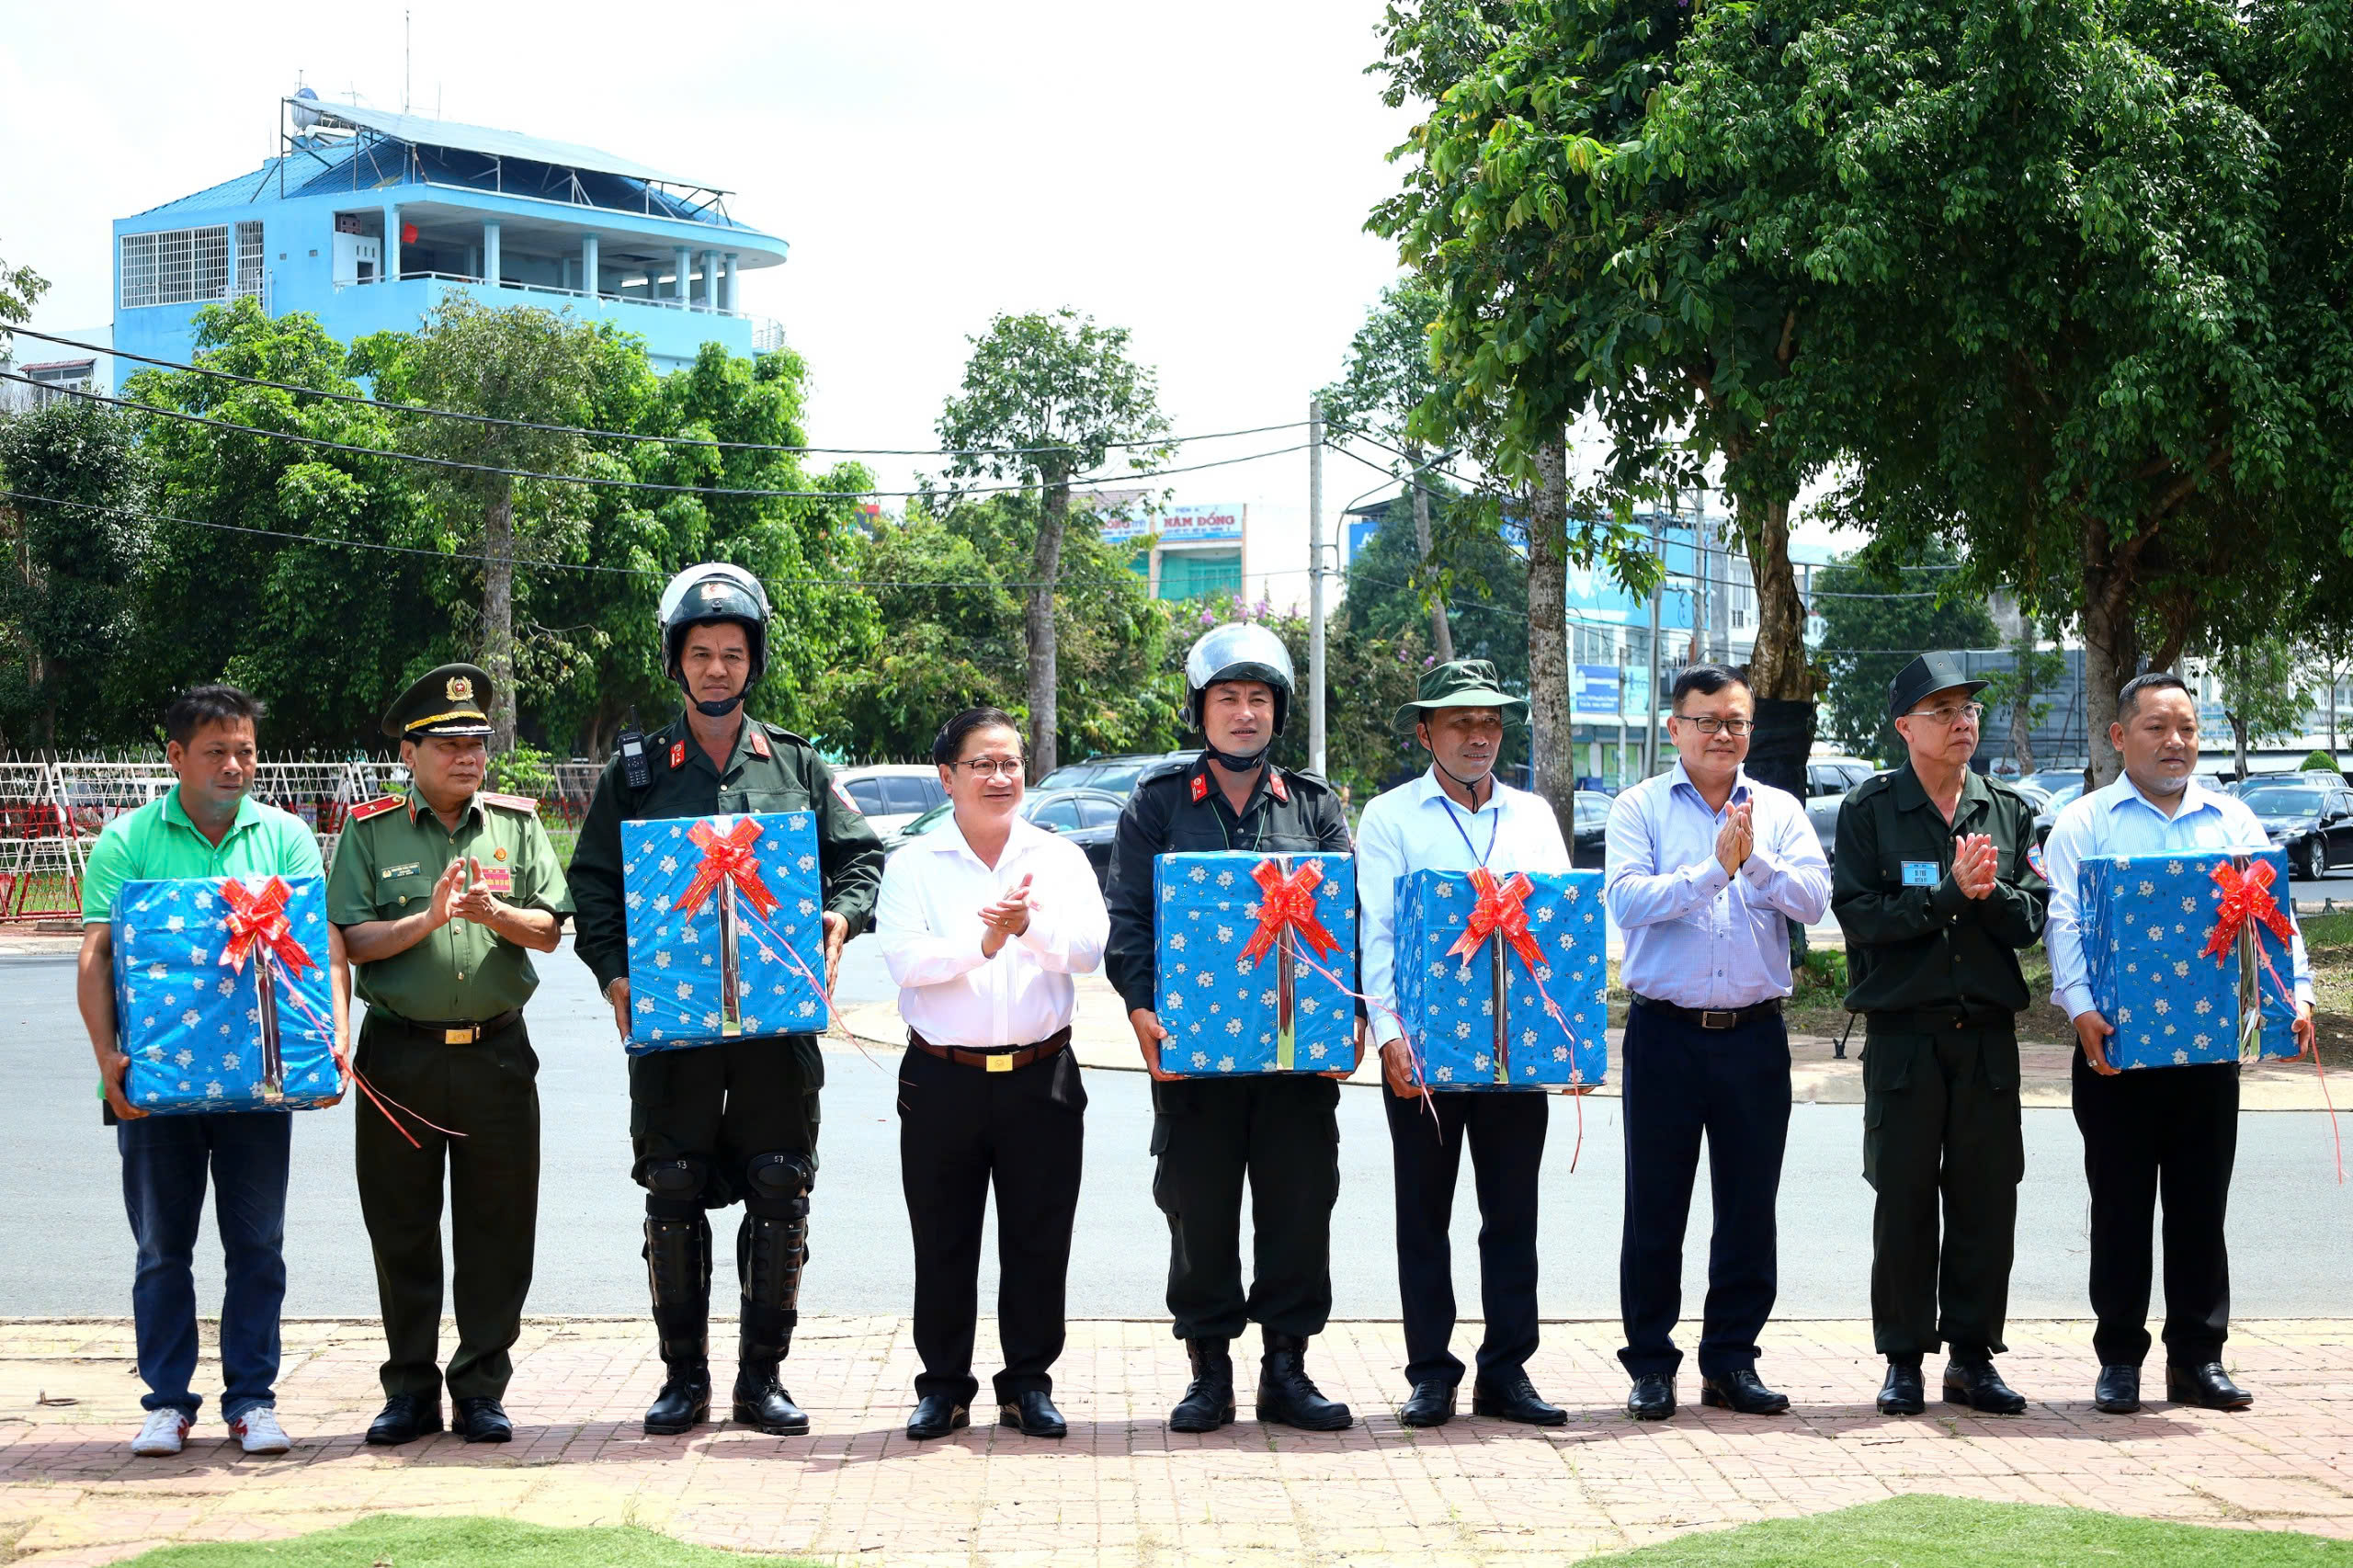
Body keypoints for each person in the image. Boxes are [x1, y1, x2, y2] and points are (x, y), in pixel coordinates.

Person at [571, 562, 884, 1437]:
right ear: (676, 662)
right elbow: (592, 885)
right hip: (673, 1029)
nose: (717, 669)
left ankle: (761, 1380)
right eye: (701, 653)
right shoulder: (635, 776)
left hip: (776, 1026)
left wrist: (839, 917)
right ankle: (684, 1381)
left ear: (754, 663)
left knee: (780, 1186)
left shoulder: (798, 765)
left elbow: (861, 859)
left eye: (732, 654)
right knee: (672, 1188)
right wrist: (615, 975)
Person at [73, 686, 350, 1459]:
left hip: (260, 1086)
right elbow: (96, 956)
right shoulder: (127, 844)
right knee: (162, 1246)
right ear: (175, 758)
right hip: (154, 1091)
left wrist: (334, 1036)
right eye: (217, 752)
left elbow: (318, 948)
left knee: (258, 1243)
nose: (235, 766)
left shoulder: (287, 839)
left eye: (247, 751)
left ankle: (253, 1400)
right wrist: (107, 1059)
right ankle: (166, 1402)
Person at [1104, 622, 1360, 1432]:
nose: (1244, 714)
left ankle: (1287, 1369)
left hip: (1293, 1066)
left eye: (1258, 699)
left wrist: (1349, 1019)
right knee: (1198, 1211)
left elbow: (1347, 920)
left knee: (1299, 1208)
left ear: (1277, 711)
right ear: (1201, 711)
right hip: (1194, 1063)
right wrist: (1142, 1011)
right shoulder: (1157, 804)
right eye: (1227, 699)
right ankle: (1208, 1372)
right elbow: (1130, 921)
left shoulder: (1315, 808)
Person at [2041, 673, 2315, 1415]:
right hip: (2116, 1050)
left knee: (2200, 1209)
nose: (2176, 742)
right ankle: (2120, 1361)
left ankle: (2198, 1359)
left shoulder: (2232, 823)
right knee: (2122, 1208)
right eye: (2158, 727)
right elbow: (2064, 922)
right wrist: (2080, 1009)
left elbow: (2273, 918)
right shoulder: (2085, 824)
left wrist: (2297, 999)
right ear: (2119, 735)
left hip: (2206, 1053)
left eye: (2188, 729)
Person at [329, 665, 571, 1446]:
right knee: (400, 1229)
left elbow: (549, 929)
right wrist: (426, 922)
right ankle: (408, 1390)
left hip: (498, 1056)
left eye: (477, 742)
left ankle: (479, 1390)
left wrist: (493, 912)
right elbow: (352, 939)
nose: (468, 756)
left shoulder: (515, 824)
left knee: (499, 1229)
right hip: (400, 1058)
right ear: (410, 751)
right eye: (449, 744)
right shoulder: (370, 832)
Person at [873, 707, 1108, 1442]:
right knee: (942, 1237)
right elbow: (908, 961)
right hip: (944, 1077)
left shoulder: (1058, 858)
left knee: (1040, 1237)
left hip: (1043, 1076)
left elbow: (1089, 948)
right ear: (948, 777)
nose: (1000, 777)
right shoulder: (913, 864)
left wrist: (1027, 927)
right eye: (983, 764)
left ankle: (1028, 1383)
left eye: (1011, 763)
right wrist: (983, 941)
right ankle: (943, 1387)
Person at [1604, 665, 1831, 1421]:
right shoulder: (1638, 807)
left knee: (1747, 1205)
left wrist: (1753, 860)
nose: (1722, 735)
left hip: (1754, 1036)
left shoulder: (1779, 809)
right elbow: (1629, 901)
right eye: (1706, 721)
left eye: (1735, 722)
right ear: (1675, 728)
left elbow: (1812, 898)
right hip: (1665, 1033)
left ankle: (1732, 1359)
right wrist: (1712, 871)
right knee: (1655, 1204)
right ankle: (1651, 1364)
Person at [1356, 659, 1575, 1428]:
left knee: (1512, 1216)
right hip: (1423, 1053)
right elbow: (1373, 935)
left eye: (1490, 722)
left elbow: (1555, 928)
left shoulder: (1534, 816)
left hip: (1516, 1054)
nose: (1479, 736)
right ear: (1426, 732)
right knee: (1425, 1216)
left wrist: (1565, 1039)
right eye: (1460, 722)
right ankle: (1430, 1373)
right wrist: (1388, 1037)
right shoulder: (1389, 817)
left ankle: (1508, 1371)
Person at [1832, 652, 2050, 1416]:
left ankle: (1972, 1356)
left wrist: (1986, 898)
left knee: (1987, 1199)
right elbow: (1859, 917)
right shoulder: (1869, 810)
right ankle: (1902, 1359)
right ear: (1904, 727)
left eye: (1969, 709)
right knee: (1903, 1200)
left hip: (1986, 1037)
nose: (1963, 722)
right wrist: (1949, 897)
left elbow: (2030, 921)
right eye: (1942, 710)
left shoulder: (2009, 809)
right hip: (1905, 1038)